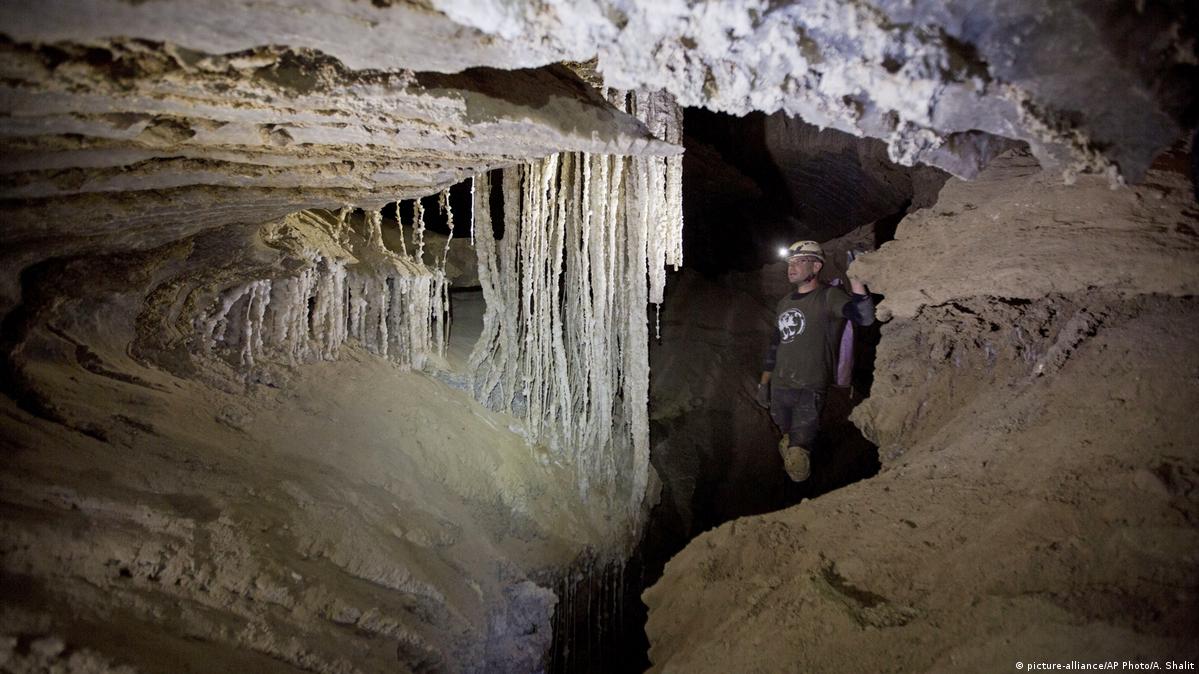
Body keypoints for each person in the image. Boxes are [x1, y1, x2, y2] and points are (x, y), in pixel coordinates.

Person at [755, 240, 875, 482]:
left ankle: (806, 497)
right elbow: (775, 346)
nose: (791, 267)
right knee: (788, 440)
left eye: (799, 262)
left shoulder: (829, 296)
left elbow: (864, 317)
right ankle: (793, 487)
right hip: (780, 387)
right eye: (790, 262)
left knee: (798, 454)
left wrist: (856, 277)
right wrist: (764, 383)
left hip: (809, 388)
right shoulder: (784, 303)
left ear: (816, 266)